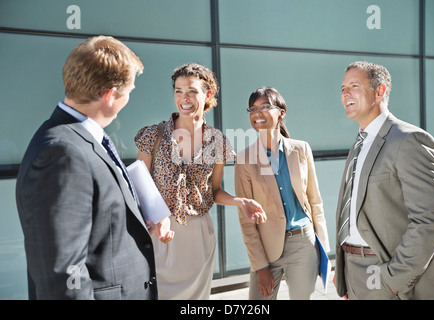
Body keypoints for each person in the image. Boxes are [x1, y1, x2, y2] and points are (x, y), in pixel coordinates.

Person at [15, 36, 158, 300]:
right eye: (129, 90)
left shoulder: (83, 137)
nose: (130, 97)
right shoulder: (62, 152)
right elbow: (63, 273)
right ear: (110, 95)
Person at [134, 63, 267, 300]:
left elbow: (213, 191)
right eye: (178, 90)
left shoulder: (217, 141)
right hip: (159, 233)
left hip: (198, 237)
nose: (184, 98)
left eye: (192, 91)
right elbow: (138, 188)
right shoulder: (153, 135)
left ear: (207, 95)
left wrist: (241, 201)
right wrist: (152, 222)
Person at [335, 61, 434, 300]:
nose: (345, 93)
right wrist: (344, 270)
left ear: (380, 91)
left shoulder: (410, 140)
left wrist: (393, 281)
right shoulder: (359, 144)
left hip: (390, 277)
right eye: (343, 88)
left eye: (354, 86)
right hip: (354, 272)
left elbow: (429, 220)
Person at [235, 87, 330, 300]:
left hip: (303, 244)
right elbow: (246, 221)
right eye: (252, 109)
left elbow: (315, 202)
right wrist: (260, 267)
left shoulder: (301, 149)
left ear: (281, 112)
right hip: (266, 247)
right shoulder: (244, 159)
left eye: (265, 107)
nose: (257, 113)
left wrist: (322, 251)